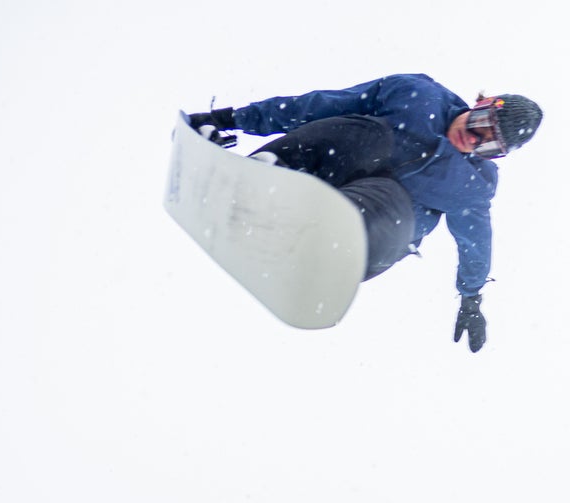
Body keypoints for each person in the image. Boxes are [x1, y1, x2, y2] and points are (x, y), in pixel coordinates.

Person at [184, 75, 541, 353]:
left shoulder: (473, 184)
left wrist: (471, 297)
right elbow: (317, 106)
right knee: (367, 131)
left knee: (394, 205)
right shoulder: (416, 95)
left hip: (370, 233)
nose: (475, 139)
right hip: (328, 169)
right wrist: (227, 119)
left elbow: (476, 243)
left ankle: (328, 243)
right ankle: (271, 175)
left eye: (490, 144)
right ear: (481, 102)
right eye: (482, 122)